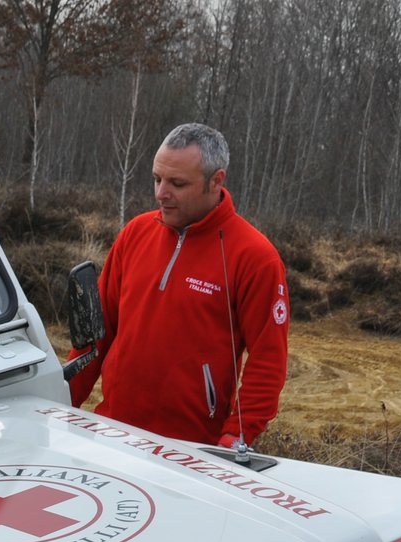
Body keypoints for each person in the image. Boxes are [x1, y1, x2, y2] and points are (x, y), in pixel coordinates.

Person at [68, 123, 289, 448]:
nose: (161, 193)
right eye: (157, 179)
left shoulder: (254, 257)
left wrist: (235, 436)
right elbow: (95, 337)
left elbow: (268, 360)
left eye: (177, 183)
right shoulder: (135, 234)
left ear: (216, 181)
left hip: (193, 452)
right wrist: (61, 402)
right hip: (113, 434)